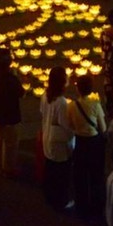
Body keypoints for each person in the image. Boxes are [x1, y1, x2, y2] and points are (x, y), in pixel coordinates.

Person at [68, 73, 107, 218]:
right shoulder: (95, 105)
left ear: (78, 89)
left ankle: (81, 207)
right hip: (94, 143)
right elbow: (103, 128)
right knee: (96, 176)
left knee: (80, 177)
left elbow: (71, 125)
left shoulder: (72, 106)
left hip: (80, 143)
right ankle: (97, 209)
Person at [41, 66, 75, 210]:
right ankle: (61, 201)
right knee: (61, 172)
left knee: (50, 168)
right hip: (58, 142)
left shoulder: (45, 96)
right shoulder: (61, 102)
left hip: (47, 135)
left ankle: (50, 196)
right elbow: (64, 124)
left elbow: (42, 113)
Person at [0, 48, 25, 178]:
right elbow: (21, 93)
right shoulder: (10, 78)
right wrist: (15, 77)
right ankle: (8, 168)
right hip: (11, 114)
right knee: (10, 143)